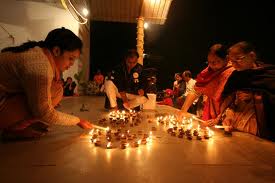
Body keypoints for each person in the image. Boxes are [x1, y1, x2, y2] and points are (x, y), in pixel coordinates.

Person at [0, 27, 93, 140]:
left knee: (57, 89)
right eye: (70, 58)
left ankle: (18, 124)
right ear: (56, 51)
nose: (72, 63)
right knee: (55, 91)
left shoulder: (40, 54)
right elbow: (44, 112)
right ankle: (14, 129)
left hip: (5, 96)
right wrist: (78, 121)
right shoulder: (40, 66)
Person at [221, 41, 275, 141]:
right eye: (231, 61)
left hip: (259, 130)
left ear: (252, 56)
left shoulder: (269, 74)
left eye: (238, 59)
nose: (234, 64)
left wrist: (255, 97)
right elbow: (228, 99)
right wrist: (228, 115)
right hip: (235, 126)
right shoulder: (235, 77)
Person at [179, 44, 235, 121]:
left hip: (228, 115)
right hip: (211, 112)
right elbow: (196, 90)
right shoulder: (207, 72)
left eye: (216, 62)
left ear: (226, 58)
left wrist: (223, 116)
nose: (211, 65)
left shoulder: (233, 72)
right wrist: (183, 110)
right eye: (209, 62)